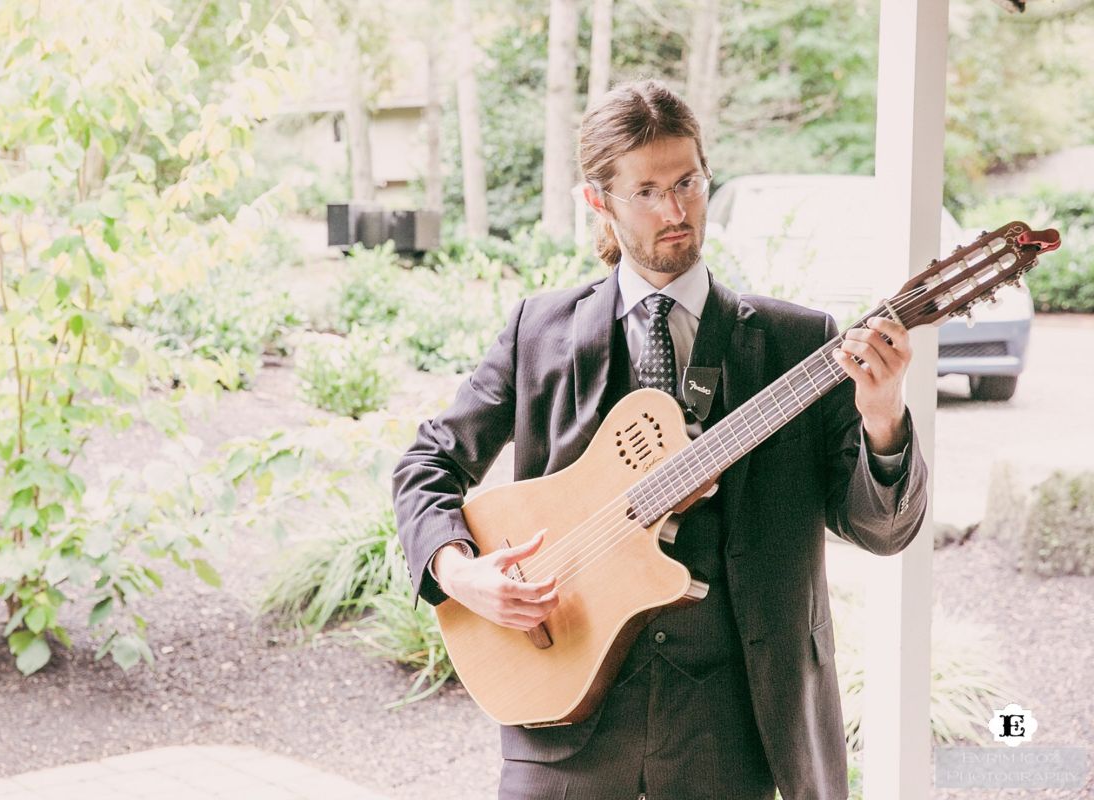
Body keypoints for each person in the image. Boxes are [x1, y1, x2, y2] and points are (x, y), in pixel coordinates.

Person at [391, 79, 928, 800]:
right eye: (646, 191)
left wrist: (883, 417)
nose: (675, 212)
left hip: (735, 736)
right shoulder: (538, 334)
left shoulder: (799, 345)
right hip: (563, 726)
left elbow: (882, 530)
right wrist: (460, 574)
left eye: (688, 183)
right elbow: (428, 462)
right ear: (598, 203)